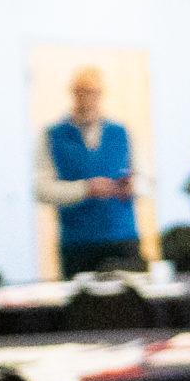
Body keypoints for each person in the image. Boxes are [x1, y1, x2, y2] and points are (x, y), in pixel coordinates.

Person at [36, 66, 142, 276]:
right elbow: (42, 189)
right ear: (73, 93)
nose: (88, 98)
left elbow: (145, 179)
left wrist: (132, 186)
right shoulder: (54, 135)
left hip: (121, 238)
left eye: (94, 92)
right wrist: (85, 189)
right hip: (78, 243)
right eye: (83, 91)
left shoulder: (120, 132)